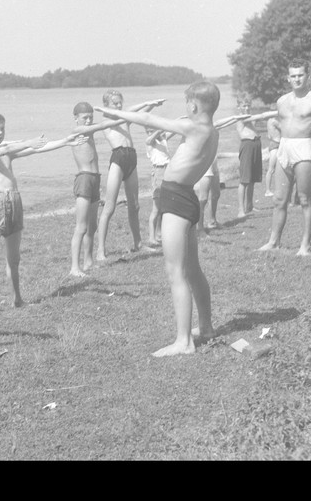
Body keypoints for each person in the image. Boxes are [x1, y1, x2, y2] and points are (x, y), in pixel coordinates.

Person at [95, 81, 223, 357]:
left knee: (176, 271)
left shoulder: (194, 127)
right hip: (185, 196)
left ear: (193, 106)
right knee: (192, 269)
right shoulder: (212, 132)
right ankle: (207, 327)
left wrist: (115, 113)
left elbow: (149, 119)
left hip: (176, 199)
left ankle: (184, 341)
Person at [0, 111, 84, 320]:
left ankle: (17, 299)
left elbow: (37, 149)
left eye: (2, 128)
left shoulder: (6, 152)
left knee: (14, 259)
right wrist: (28, 142)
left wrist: (65, 142)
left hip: (15, 201)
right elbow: (8, 147)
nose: (0, 132)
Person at [258, 60, 311, 256]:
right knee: (279, 199)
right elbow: (281, 126)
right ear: (288, 77)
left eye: (301, 75)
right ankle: (274, 241)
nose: (297, 79)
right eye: (293, 75)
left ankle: (304, 246)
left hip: (304, 147)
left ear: (307, 76)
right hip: (285, 147)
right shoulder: (282, 101)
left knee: (305, 199)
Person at [95, 90, 165, 261]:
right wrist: (145, 105)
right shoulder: (107, 118)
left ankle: (138, 243)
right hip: (118, 159)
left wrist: (151, 103)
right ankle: (100, 251)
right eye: (115, 103)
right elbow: (131, 113)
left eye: (120, 103)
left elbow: (135, 113)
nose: (119, 106)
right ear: (107, 106)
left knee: (134, 205)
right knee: (109, 207)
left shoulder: (124, 117)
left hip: (131, 157)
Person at [67, 101, 129, 276]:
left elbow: (102, 124)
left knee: (92, 226)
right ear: (76, 119)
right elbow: (104, 124)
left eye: (90, 117)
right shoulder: (77, 131)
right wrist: (120, 118)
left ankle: (88, 261)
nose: (88, 120)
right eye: (84, 117)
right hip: (84, 178)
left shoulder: (91, 130)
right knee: (81, 226)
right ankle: (74, 267)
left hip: (95, 178)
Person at [145, 126, 171, 247]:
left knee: (164, 206)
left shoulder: (162, 139)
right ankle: (152, 237)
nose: (151, 133)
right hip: (158, 172)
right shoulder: (149, 143)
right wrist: (159, 129)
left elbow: (174, 130)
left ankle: (160, 234)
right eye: (148, 131)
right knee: (156, 208)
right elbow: (150, 139)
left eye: (152, 130)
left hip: (167, 170)